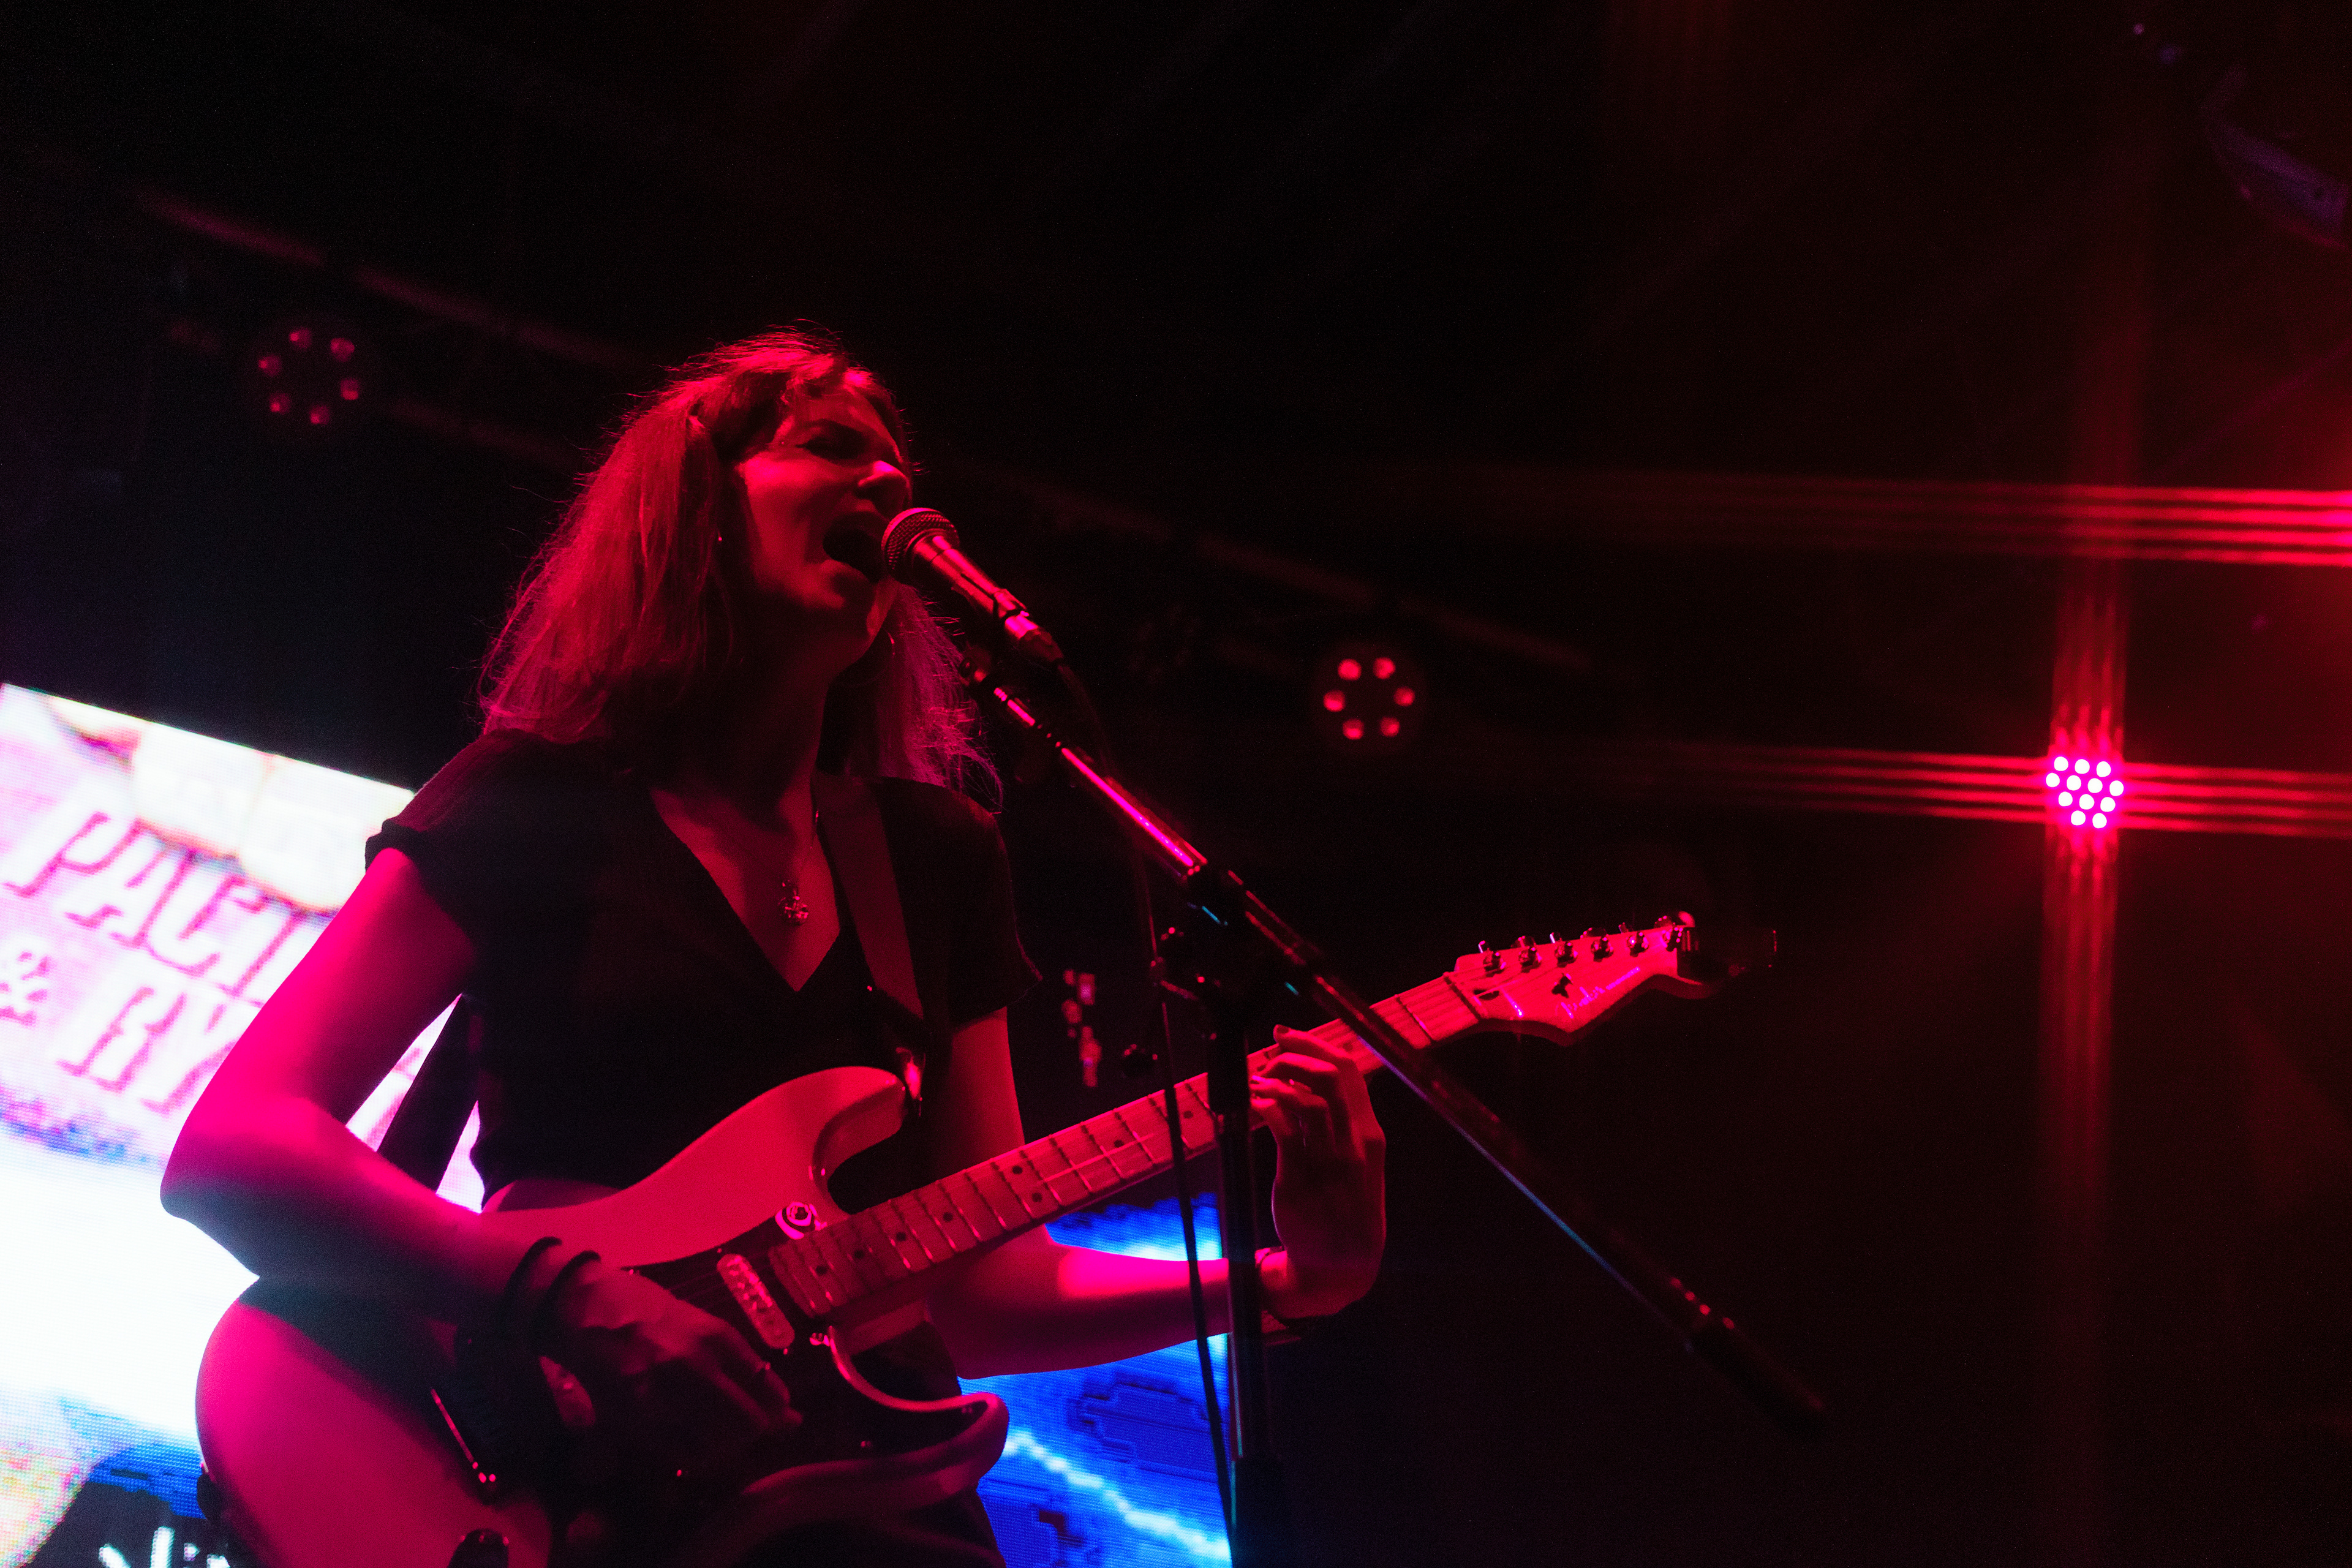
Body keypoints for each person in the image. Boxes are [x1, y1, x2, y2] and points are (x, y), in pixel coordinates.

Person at [160, 328, 1387, 1566]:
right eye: (832, 447)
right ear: (696, 504)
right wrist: (571, 1297)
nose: (887, 483)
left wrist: (1286, 1278)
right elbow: (237, 1145)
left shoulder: (936, 856)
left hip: (879, 1514)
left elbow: (983, 1286)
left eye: (899, 468)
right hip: (577, 1498)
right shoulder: (532, 801)